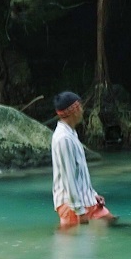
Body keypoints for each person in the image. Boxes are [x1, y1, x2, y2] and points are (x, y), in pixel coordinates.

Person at [51, 91, 116, 228]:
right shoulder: (64, 139)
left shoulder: (71, 133)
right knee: (76, 242)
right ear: (73, 110)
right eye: (80, 107)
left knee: (110, 222)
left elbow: (79, 172)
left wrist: (93, 194)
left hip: (85, 200)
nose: (82, 110)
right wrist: (80, 211)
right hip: (72, 204)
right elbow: (68, 177)